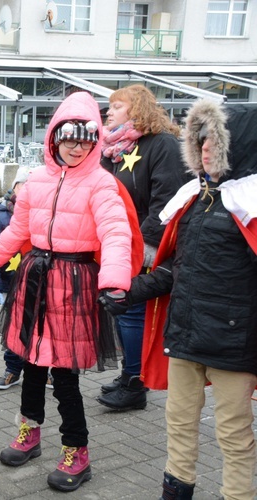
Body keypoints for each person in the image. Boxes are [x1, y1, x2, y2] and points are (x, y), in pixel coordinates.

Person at [0, 91, 134, 492]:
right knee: (30, 365)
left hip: (73, 284)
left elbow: (116, 234)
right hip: (34, 280)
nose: (76, 146)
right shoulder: (36, 181)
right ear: (54, 138)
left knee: (63, 376)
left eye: (84, 139)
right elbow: (18, 230)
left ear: (94, 140)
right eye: (68, 138)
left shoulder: (102, 183)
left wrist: (115, 280)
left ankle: (76, 453)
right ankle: (29, 433)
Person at [128, 99, 257, 500]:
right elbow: (176, 268)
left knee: (234, 431)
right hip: (184, 333)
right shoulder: (193, 199)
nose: (204, 147)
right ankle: (176, 491)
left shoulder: (250, 203)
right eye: (199, 139)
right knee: (179, 421)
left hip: (234, 342)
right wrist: (133, 289)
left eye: (213, 139)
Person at [97, 84, 190, 411]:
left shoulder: (161, 145)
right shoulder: (113, 148)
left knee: (132, 310)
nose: (109, 111)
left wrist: (142, 246)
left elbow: (168, 201)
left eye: (117, 106)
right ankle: (129, 375)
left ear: (137, 110)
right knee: (119, 311)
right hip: (116, 242)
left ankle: (135, 383)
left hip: (142, 244)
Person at [0, 168, 27, 391]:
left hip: (41, 286)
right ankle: (13, 370)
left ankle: (46, 371)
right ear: (15, 187)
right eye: (24, 185)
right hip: (12, 287)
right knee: (14, 331)